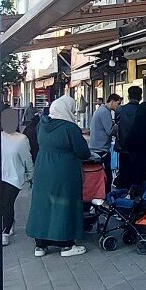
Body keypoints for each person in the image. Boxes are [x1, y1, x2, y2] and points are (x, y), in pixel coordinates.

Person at [26, 95, 91, 257]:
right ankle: (66, 244)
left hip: (42, 168)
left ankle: (40, 244)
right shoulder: (70, 128)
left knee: (43, 204)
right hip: (64, 171)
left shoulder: (42, 124)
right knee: (63, 204)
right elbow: (83, 151)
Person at [0, 108, 33, 247]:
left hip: (14, 177)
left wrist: (31, 175)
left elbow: (27, 159)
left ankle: (5, 231)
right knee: (0, 205)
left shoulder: (21, 139)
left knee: (6, 204)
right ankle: (8, 224)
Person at [89, 93, 122, 192]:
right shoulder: (104, 112)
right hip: (101, 149)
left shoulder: (101, 110)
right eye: (118, 103)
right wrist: (118, 125)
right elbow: (110, 130)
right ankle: (106, 196)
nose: (119, 106)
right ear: (112, 101)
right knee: (107, 176)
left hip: (97, 147)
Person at [114, 86, 143, 185]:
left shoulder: (120, 110)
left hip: (123, 148)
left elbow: (117, 125)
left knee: (124, 176)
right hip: (139, 149)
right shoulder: (143, 111)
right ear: (140, 97)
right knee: (136, 178)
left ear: (128, 96)